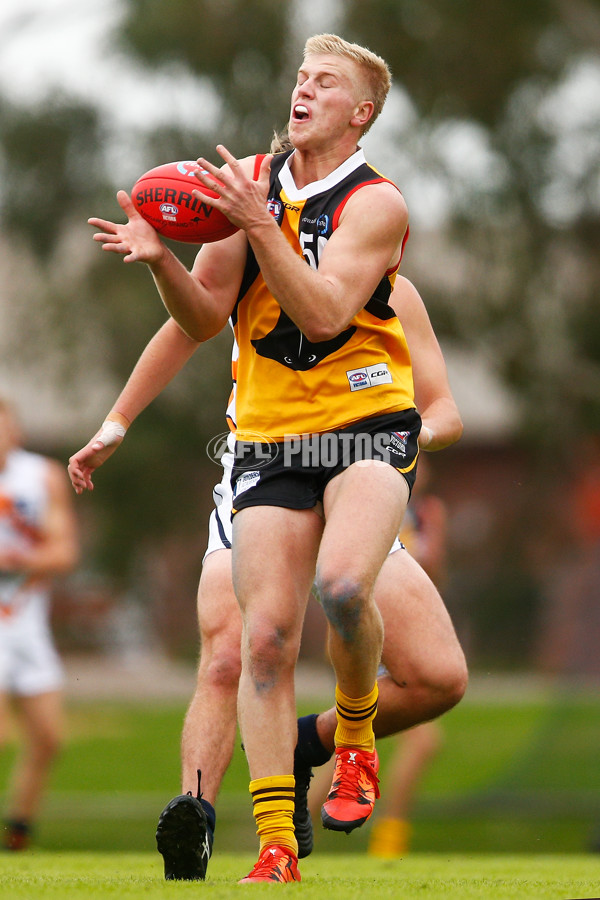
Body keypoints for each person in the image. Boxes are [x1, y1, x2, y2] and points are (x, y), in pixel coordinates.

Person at [75, 33, 466, 883]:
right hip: (265, 442)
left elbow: (325, 317)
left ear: (360, 113)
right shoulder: (245, 185)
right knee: (258, 645)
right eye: (300, 76)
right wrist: (162, 265)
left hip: (364, 433)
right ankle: (272, 846)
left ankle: (354, 735)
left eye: (325, 83)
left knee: (344, 588)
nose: (304, 88)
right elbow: (203, 318)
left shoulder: (376, 206)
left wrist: (259, 222)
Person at [0, 397, 79, 850]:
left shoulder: (41, 475)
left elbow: (63, 552)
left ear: (18, 432)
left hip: (27, 622)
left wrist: (20, 557)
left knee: (49, 737)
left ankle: (17, 833)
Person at [367, 455, 448, 858]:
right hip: (375, 626)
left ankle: (292, 823)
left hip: (409, 623)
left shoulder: (428, 512)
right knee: (423, 738)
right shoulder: (367, 503)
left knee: (358, 734)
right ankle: (390, 840)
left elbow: (434, 572)